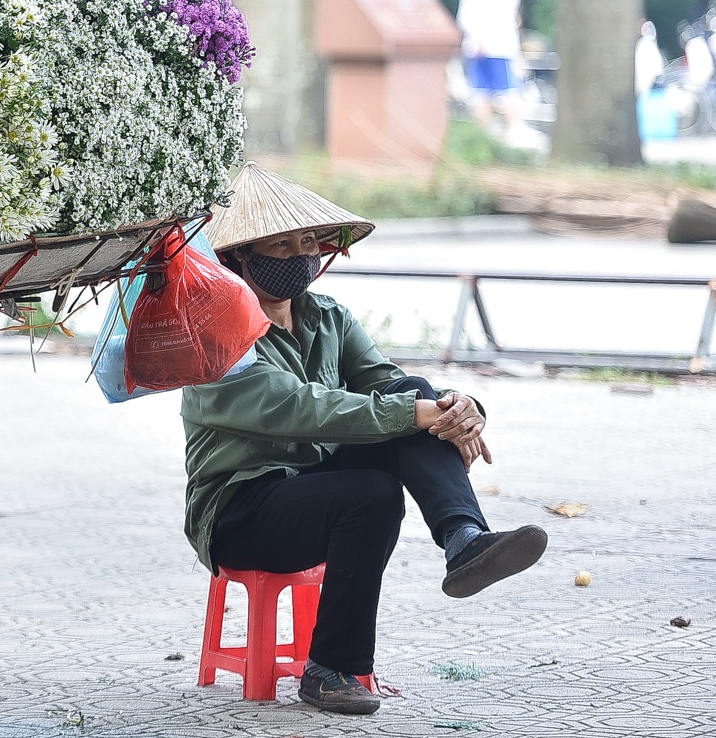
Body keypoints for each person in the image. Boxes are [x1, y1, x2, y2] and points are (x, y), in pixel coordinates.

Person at [181, 163, 547, 716]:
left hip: (313, 483)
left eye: (308, 241)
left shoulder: (328, 317)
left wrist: (457, 406)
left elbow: (388, 386)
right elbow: (299, 408)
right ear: (238, 258)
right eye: (280, 246)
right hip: (241, 509)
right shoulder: (213, 337)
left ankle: (464, 539)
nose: (300, 254)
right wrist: (419, 413)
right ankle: (331, 671)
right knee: (372, 489)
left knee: (413, 391)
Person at [455, 0, 524, 134]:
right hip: (501, 47)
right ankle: (513, 131)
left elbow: (464, 18)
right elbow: (509, 17)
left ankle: (482, 134)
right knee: (509, 91)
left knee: (480, 92)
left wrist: (477, 38)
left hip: (475, 48)